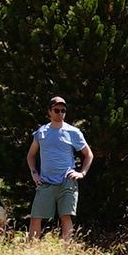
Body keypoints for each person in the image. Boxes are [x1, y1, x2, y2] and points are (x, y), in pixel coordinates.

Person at [25, 96, 93, 238]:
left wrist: (82, 173)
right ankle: (32, 251)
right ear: (49, 111)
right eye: (56, 110)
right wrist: (34, 174)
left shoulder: (73, 132)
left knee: (66, 217)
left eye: (63, 110)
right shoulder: (41, 133)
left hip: (67, 180)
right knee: (36, 217)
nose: (60, 113)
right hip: (45, 181)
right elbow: (30, 156)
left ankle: (65, 253)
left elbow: (88, 154)